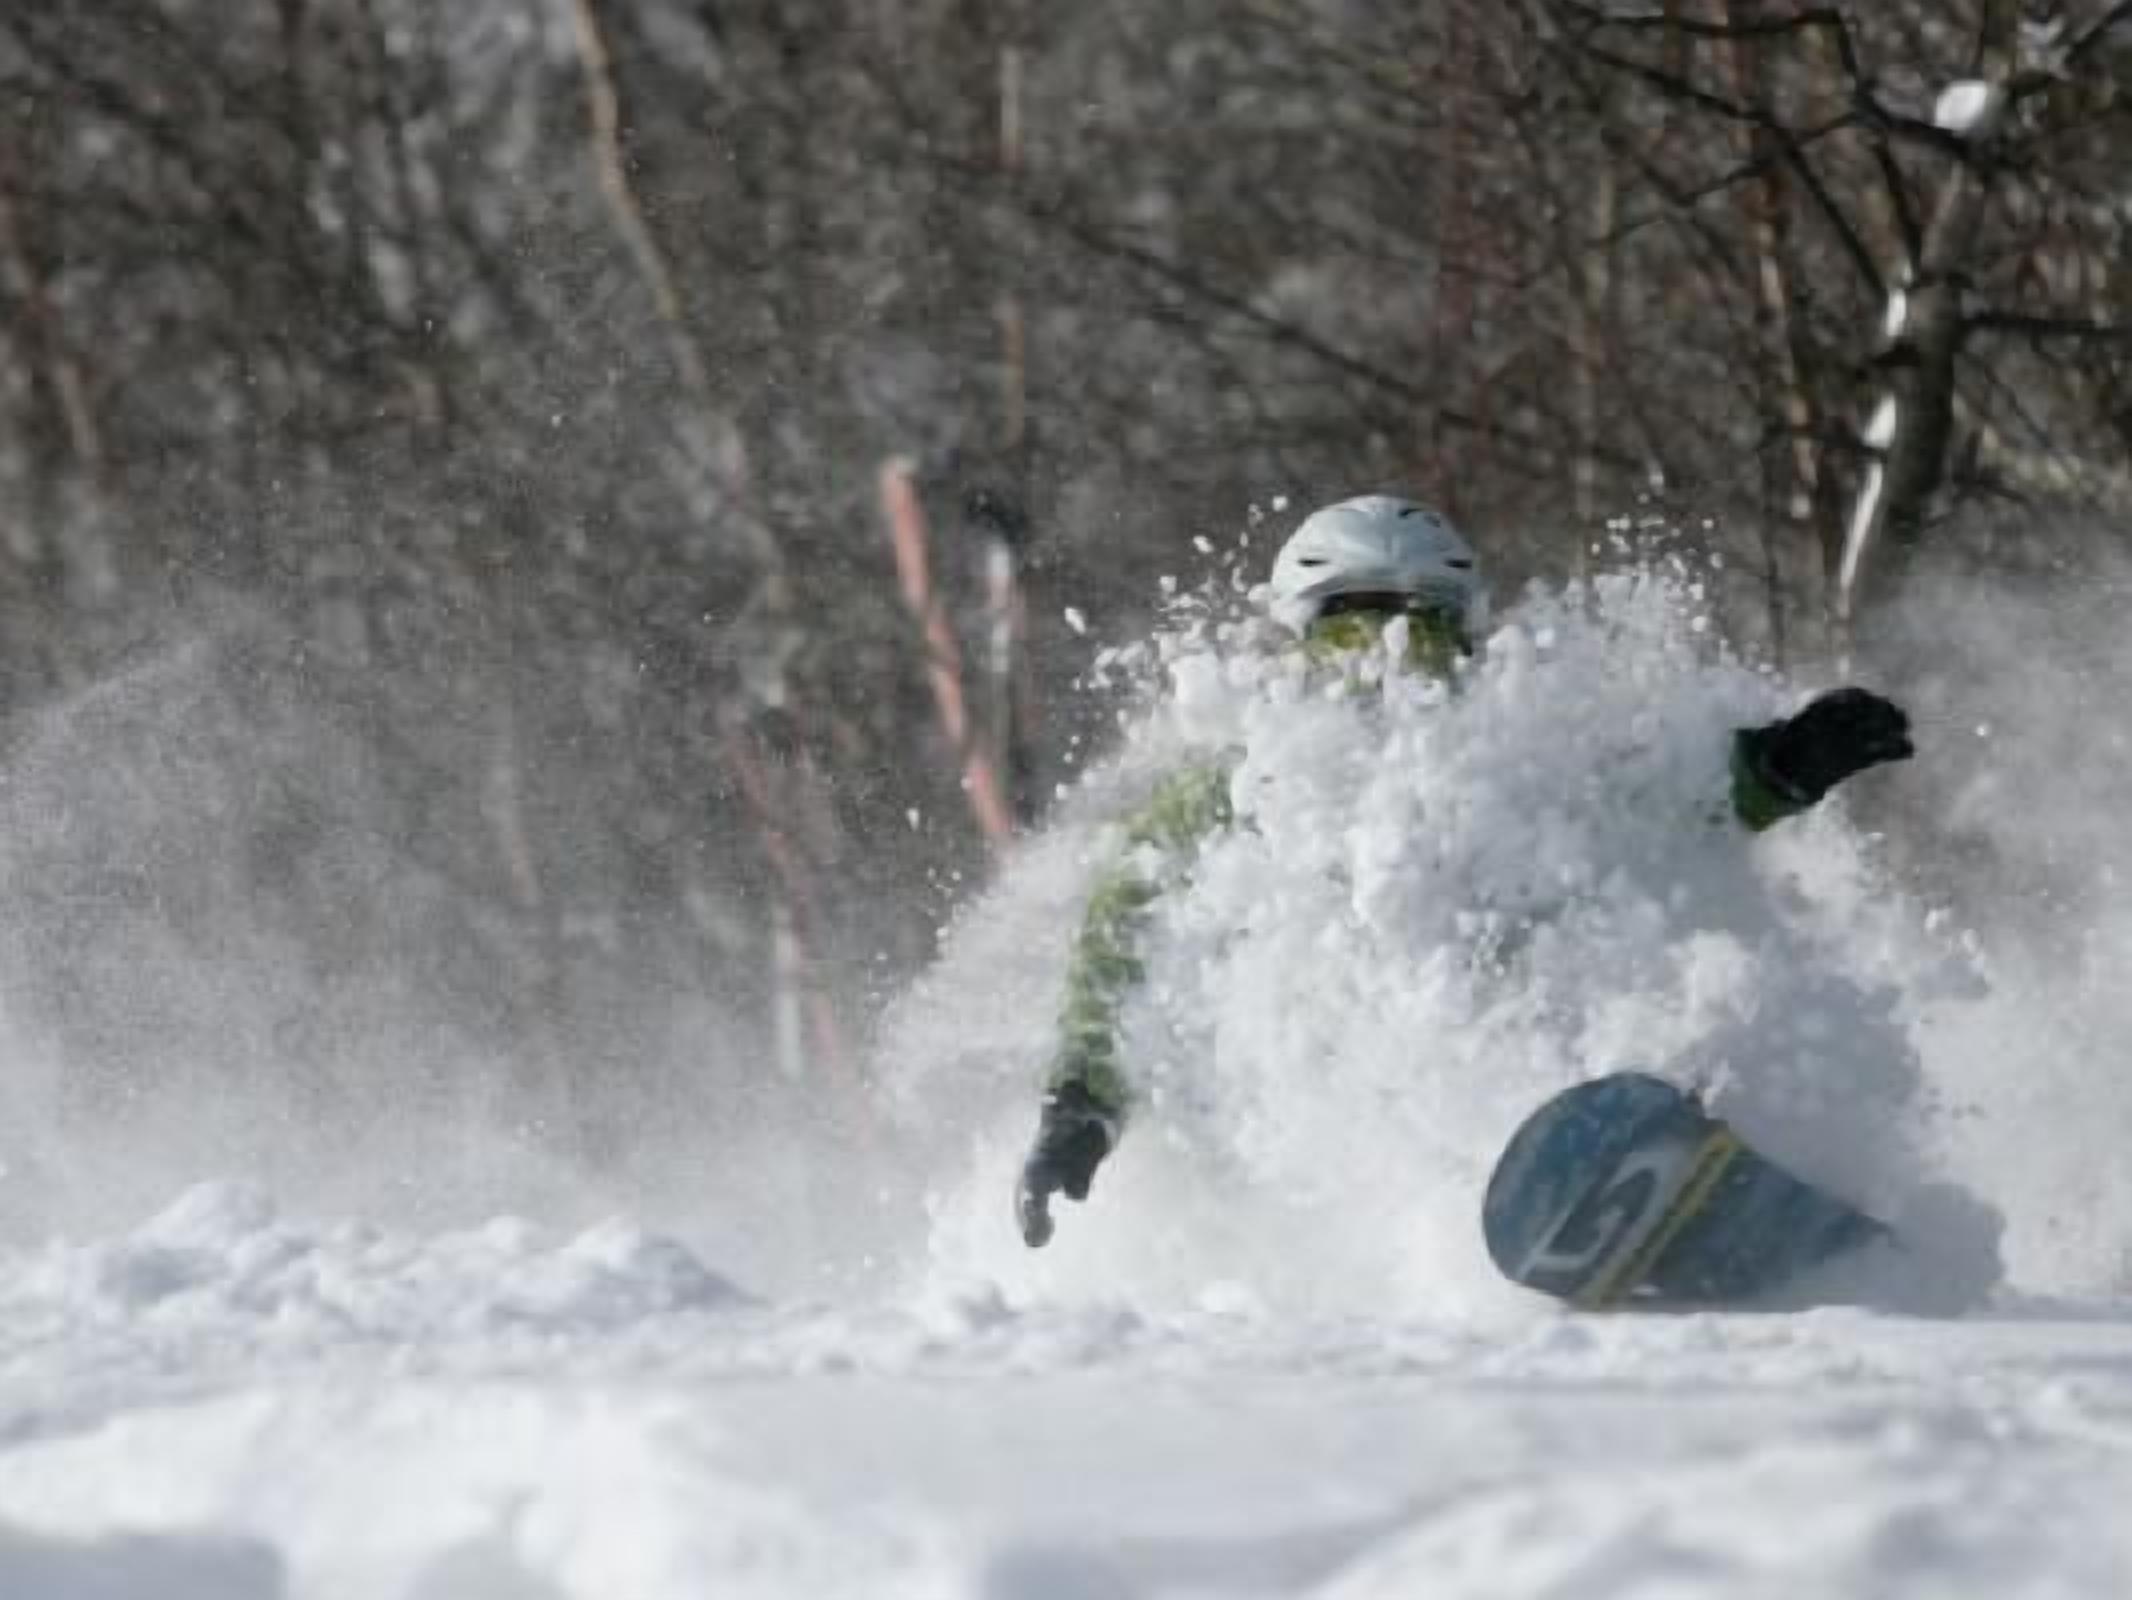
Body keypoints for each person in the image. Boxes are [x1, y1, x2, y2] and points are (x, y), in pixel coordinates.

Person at [1015, 493, 1915, 1248]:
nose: (1390, 647)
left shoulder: (1515, 751)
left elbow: (1659, 800)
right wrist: (1080, 1107)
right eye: (1355, 620)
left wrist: (1785, 762)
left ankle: (1657, 1144)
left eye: (1423, 619)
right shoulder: (1239, 790)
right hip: (1309, 1138)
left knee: (1614, 909)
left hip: (1513, 1083)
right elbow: (1123, 949)